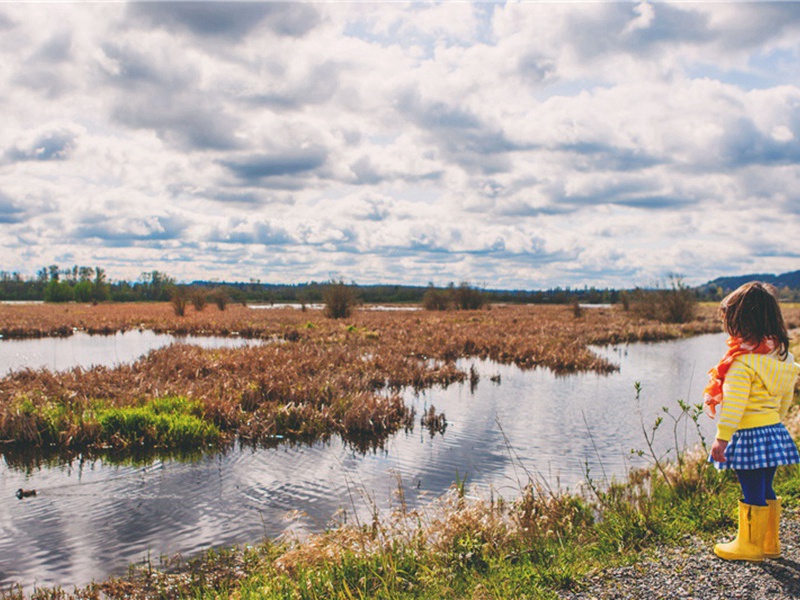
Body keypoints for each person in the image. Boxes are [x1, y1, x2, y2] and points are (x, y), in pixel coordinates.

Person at [705, 281, 800, 562]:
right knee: (766, 487)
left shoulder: (742, 362)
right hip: (773, 430)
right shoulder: (783, 357)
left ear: (739, 322)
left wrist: (722, 438)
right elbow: (785, 398)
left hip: (748, 433)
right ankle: (769, 544)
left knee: (750, 490)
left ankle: (749, 545)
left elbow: (734, 405)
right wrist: (774, 422)